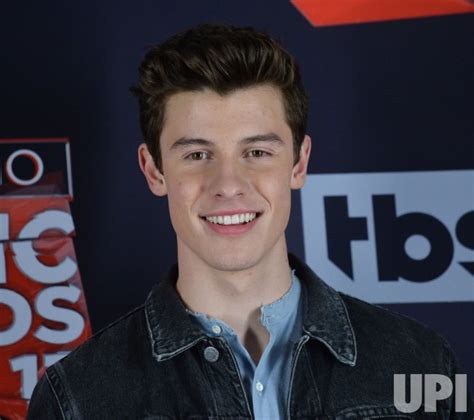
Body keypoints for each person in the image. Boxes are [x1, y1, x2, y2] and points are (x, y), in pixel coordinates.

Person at [28, 23, 471, 419]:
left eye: (256, 153)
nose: (228, 184)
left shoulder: (423, 362)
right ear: (154, 171)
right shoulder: (77, 399)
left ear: (299, 163)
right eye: (197, 154)